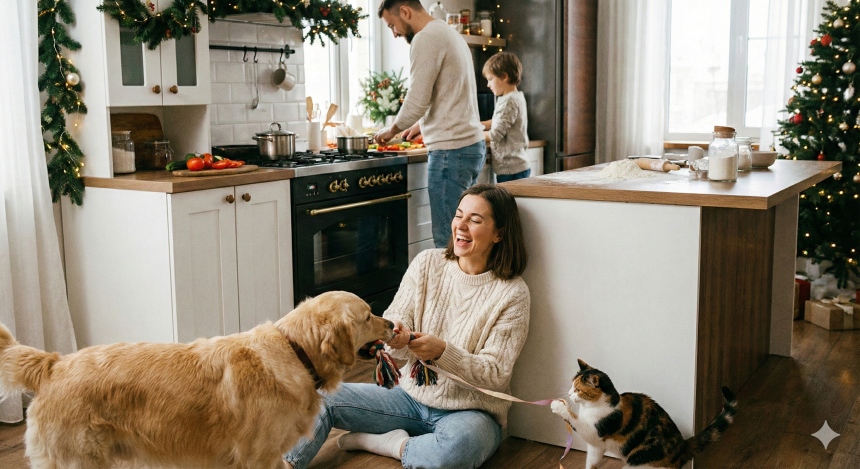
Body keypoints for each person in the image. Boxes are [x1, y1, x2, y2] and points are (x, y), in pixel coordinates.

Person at [283, 184, 530, 469]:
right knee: (320, 398)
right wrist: (395, 334)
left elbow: (496, 374)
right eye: (458, 215)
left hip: (472, 413)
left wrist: (442, 352)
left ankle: (387, 443)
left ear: (499, 233)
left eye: (475, 220)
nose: (461, 225)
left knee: (455, 450)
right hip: (408, 397)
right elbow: (397, 325)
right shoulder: (427, 263)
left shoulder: (513, 293)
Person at [373, 0, 487, 248]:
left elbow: (417, 98)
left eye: (393, 25)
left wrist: (392, 130)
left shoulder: (425, 38)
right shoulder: (447, 31)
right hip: (469, 146)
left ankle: (448, 288)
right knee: (466, 240)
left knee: (447, 242)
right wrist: (422, 126)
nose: (394, 34)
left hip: (451, 153)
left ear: (405, 11)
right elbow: (449, 92)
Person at [481, 52, 531, 183]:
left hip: (511, 170)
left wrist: (470, 134)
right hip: (517, 167)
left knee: (508, 204)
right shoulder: (515, 97)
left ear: (504, 77)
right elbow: (501, 122)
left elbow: (495, 134)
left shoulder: (509, 101)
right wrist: (479, 125)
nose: (488, 84)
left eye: (490, 79)